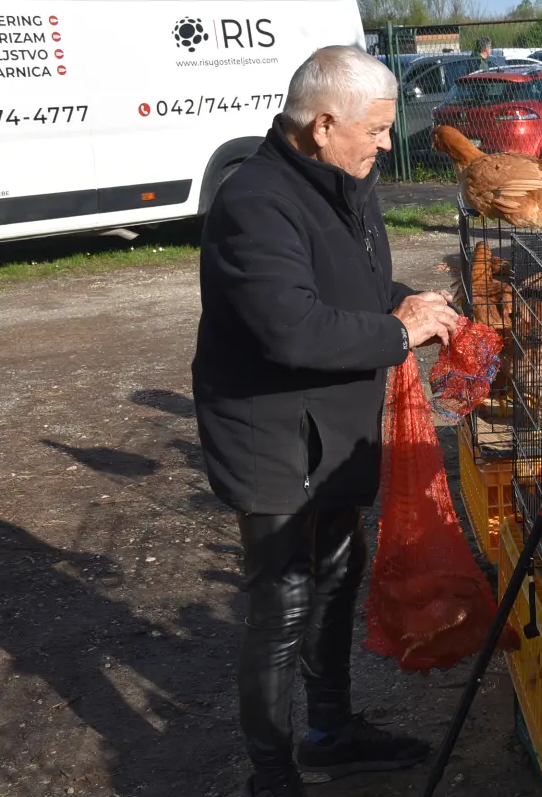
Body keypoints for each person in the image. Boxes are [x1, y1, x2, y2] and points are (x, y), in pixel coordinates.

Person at [192, 45, 459, 797]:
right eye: (375, 130)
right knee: (282, 601)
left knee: (340, 575)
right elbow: (292, 329)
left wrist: (418, 305)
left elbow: (360, 285)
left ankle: (332, 730)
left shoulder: (347, 181)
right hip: (270, 431)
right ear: (322, 123)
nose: (386, 143)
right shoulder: (256, 202)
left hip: (335, 423)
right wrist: (397, 333)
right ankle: (271, 777)